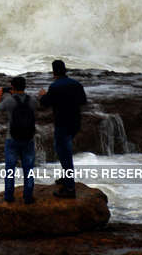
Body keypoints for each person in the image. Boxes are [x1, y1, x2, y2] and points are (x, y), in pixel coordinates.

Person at [39, 59, 87, 198]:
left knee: (64, 155)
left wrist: (42, 95)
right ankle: (67, 179)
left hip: (62, 124)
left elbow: (45, 103)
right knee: (65, 152)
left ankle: (70, 188)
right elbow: (83, 101)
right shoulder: (76, 84)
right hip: (75, 123)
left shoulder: (54, 86)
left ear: (54, 72)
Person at [0, 76, 38, 204]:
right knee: (28, 169)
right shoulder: (33, 100)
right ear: (25, 86)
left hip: (12, 138)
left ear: (12, 87)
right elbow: (39, 106)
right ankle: (28, 197)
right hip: (29, 138)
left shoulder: (9, 100)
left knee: (10, 169)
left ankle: (9, 196)